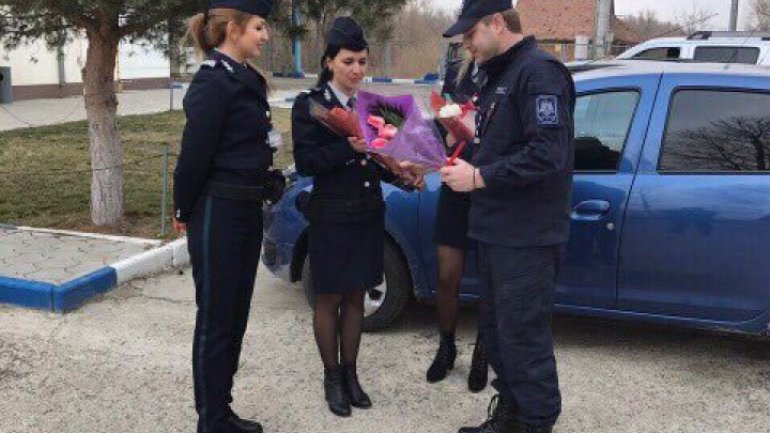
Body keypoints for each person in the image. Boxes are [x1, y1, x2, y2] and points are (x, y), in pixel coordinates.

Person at [440, 1, 576, 432]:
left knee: (524, 342)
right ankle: (510, 418)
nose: (467, 47)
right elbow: (503, 145)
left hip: (527, 237)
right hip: (497, 232)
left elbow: (548, 154)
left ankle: (535, 422)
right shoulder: (502, 76)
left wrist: (479, 176)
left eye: (471, 36)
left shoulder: (539, 73)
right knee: (499, 336)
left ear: (497, 23)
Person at [291, 17, 419, 418]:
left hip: (367, 215)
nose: (357, 70)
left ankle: (351, 375)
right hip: (331, 217)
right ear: (330, 61)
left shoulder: (375, 107)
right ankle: (331, 377)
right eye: (349, 61)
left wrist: (403, 172)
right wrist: (349, 146)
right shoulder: (311, 106)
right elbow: (307, 162)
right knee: (329, 298)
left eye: (363, 61)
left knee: (356, 298)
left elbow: (378, 161)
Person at [173, 1, 281, 432]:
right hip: (217, 212)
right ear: (233, 30)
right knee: (216, 317)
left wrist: (266, 178)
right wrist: (184, 207)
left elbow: (244, 146)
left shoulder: (247, 80)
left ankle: (222, 409)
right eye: (259, 27)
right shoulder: (212, 83)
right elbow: (194, 156)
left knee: (235, 314)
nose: (265, 35)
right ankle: (210, 420)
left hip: (244, 208)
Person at [427, 52, 489, 393]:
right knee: (448, 275)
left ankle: (483, 353)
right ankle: (446, 347)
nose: (469, 42)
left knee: (489, 279)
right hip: (455, 184)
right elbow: (442, 118)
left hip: (489, 185)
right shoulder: (456, 70)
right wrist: (446, 136)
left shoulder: (508, 70)